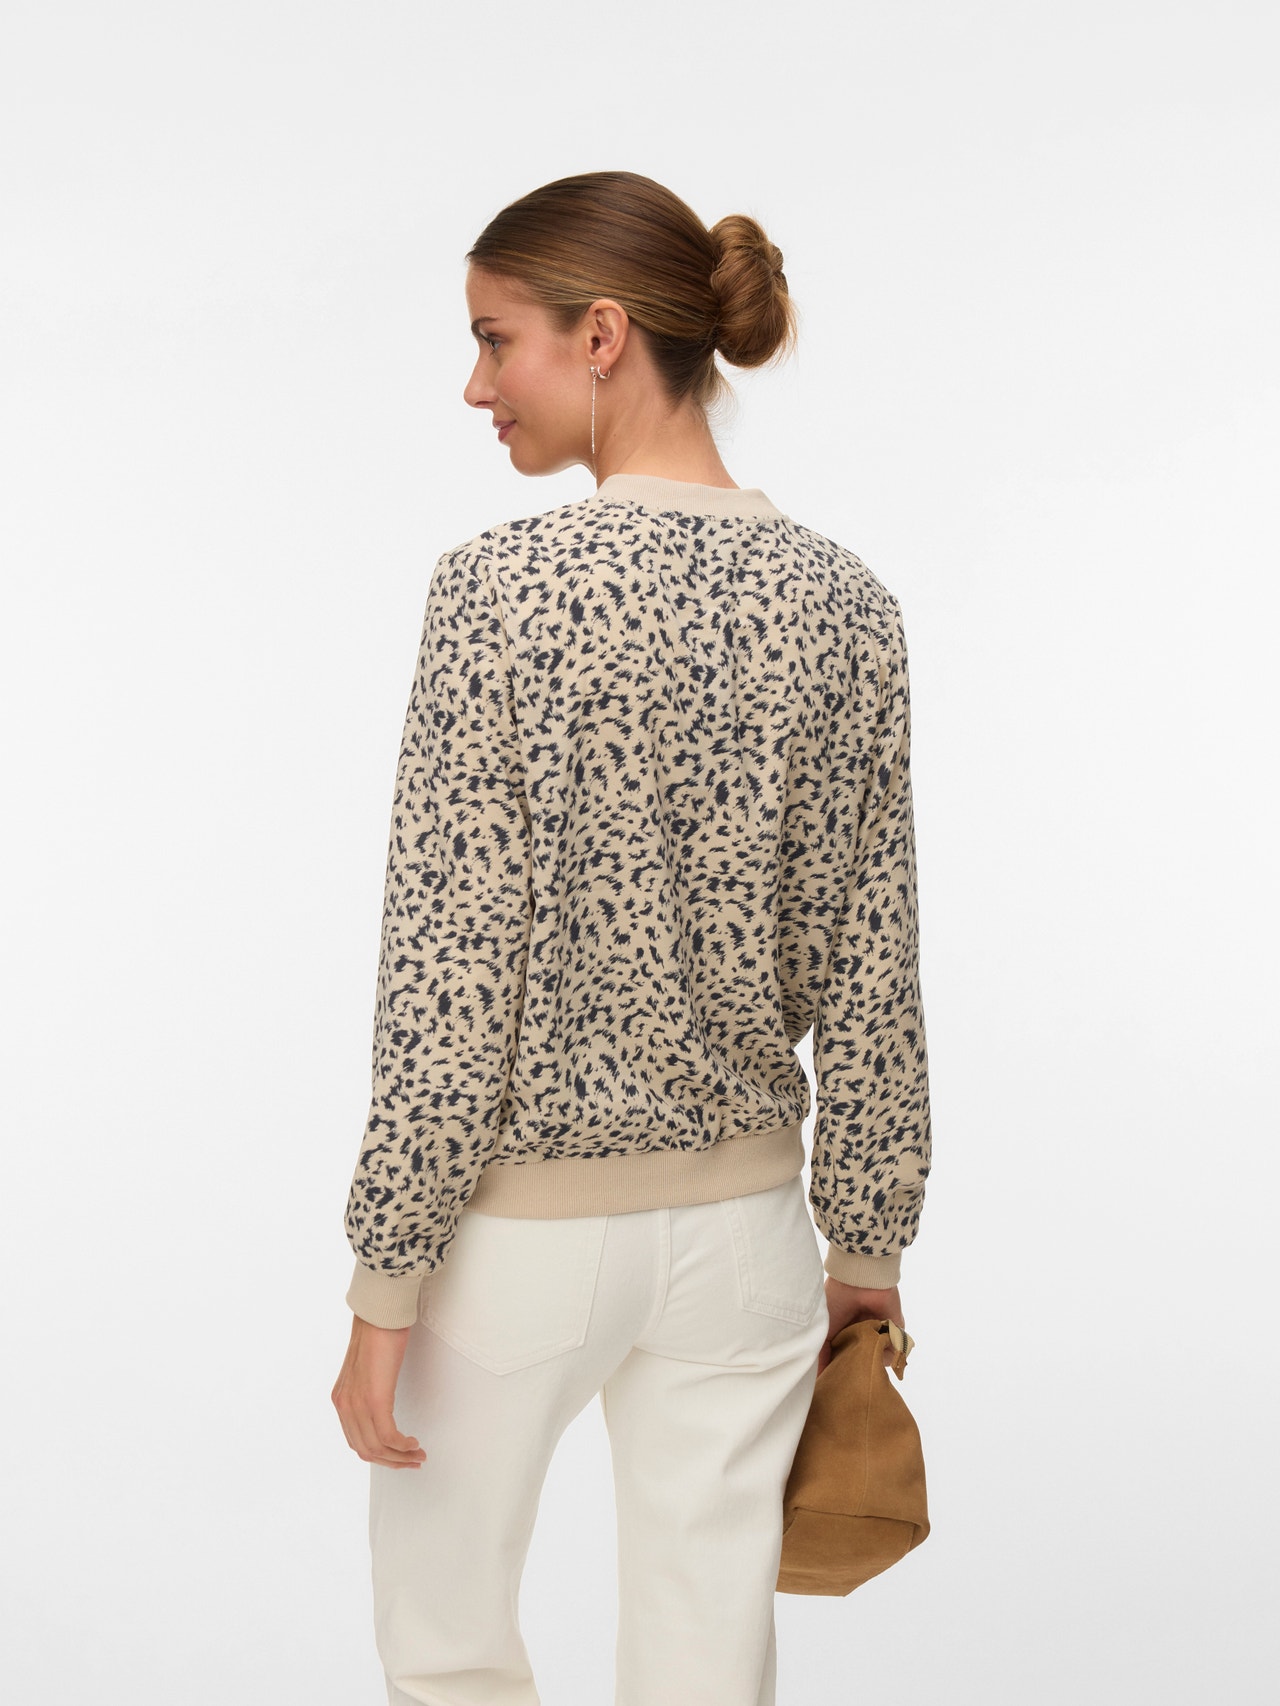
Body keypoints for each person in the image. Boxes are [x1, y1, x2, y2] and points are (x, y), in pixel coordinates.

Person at [331, 169, 932, 1706]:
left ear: (602, 336)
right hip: (748, 1243)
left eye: (497, 340)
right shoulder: (850, 606)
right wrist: (867, 1247)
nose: (476, 386)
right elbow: (877, 966)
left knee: (449, 1648)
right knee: (706, 1664)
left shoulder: (497, 595)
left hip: (516, 1240)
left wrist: (386, 1281)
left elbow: (451, 976)